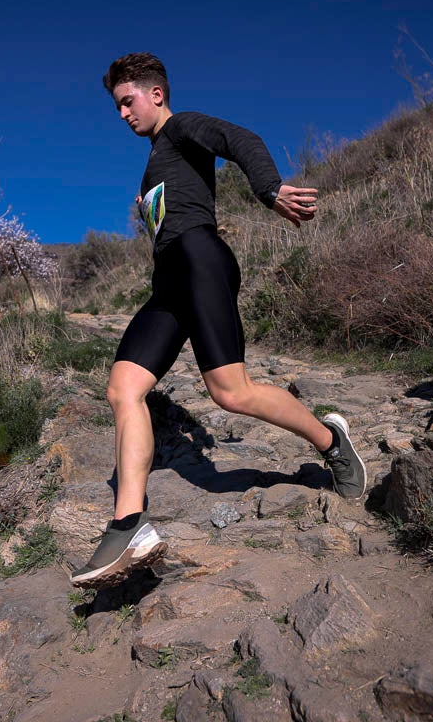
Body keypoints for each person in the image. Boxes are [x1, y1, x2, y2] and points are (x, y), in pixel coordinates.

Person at [69, 53, 366, 589]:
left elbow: (240, 139)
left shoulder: (182, 126)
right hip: (169, 283)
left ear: (155, 93)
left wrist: (269, 190)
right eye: (117, 106)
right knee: (123, 388)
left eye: (126, 101)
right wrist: (150, 209)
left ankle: (330, 440)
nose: (121, 114)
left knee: (231, 393)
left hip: (201, 261)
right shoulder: (158, 156)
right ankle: (128, 524)